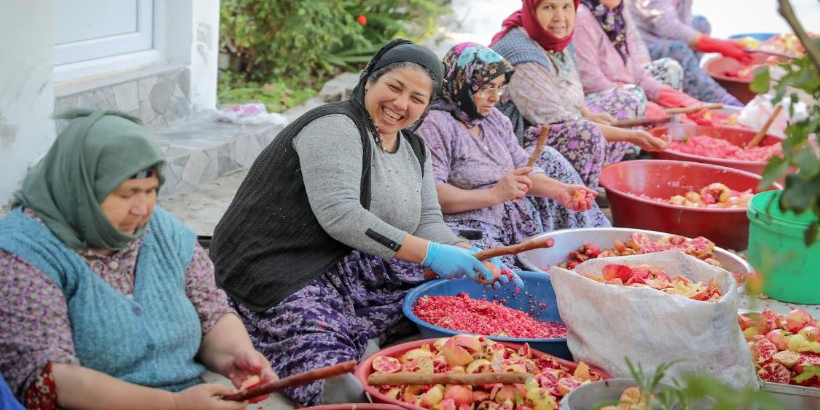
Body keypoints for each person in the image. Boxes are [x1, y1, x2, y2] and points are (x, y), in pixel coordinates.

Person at [208, 39, 521, 406]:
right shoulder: (335, 126)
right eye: (394, 87)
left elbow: (428, 221)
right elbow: (342, 217)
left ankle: (360, 334)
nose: (401, 104)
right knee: (330, 366)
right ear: (369, 80)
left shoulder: (413, 148)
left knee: (456, 277)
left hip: (341, 259)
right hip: (277, 262)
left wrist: (466, 252)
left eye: (417, 99)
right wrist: (432, 255)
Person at [0, 110, 276, 410]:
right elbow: (50, 380)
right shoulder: (23, 252)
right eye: (126, 194)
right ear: (80, 187)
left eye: (151, 191)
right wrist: (173, 405)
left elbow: (212, 314)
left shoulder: (163, 233)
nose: (142, 209)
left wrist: (236, 355)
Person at [415, 42, 610, 263]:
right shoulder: (435, 125)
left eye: (499, 88)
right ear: (462, 82)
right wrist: (495, 195)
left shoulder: (493, 119)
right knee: (491, 271)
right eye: (486, 88)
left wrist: (561, 191)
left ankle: (599, 249)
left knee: (549, 158)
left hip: (510, 215)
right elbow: (434, 195)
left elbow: (523, 168)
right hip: (468, 225)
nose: (495, 97)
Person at [490, 0, 667, 189]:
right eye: (549, 8)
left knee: (629, 98)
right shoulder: (521, 53)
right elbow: (555, 120)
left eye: (567, 7)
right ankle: (581, 195)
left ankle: (597, 173)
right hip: (520, 139)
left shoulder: (556, 38)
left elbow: (570, 85)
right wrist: (629, 136)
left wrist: (587, 113)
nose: (560, 17)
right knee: (586, 134)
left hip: (562, 119)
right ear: (532, 9)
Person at [561, 0, 707, 116]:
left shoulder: (617, 14)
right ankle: (652, 125)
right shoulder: (581, 17)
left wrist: (670, 96)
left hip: (623, 88)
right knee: (634, 94)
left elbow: (634, 69)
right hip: (591, 103)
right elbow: (589, 79)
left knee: (669, 69)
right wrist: (640, 101)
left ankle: (671, 128)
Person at [627, 0, 752, 106]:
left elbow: (687, 31)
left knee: (701, 23)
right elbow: (668, 27)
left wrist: (725, 46)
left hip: (658, 43)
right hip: (638, 50)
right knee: (679, 50)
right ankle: (724, 102)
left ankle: (692, 83)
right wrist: (721, 46)